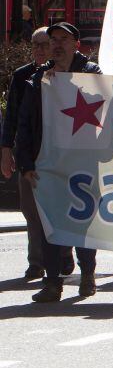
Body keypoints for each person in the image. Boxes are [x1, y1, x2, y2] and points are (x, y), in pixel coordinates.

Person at [17, 23, 103, 302]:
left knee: (83, 223)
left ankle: (87, 274)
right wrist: (26, 163)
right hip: (48, 164)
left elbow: (107, 103)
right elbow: (25, 124)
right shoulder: (38, 79)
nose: (56, 45)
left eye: (63, 40)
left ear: (76, 44)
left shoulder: (92, 74)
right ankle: (53, 282)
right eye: (53, 39)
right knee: (49, 224)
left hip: (84, 162)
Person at [1, 27, 53, 281]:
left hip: (59, 155)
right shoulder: (22, 76)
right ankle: (37, 262)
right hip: (29, 155)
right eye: (35, 45)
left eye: (45, 44)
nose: (40, 49)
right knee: (31, 211)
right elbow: (11, 117)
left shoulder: (71, 73)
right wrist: (6, 151)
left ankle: (62, 258)